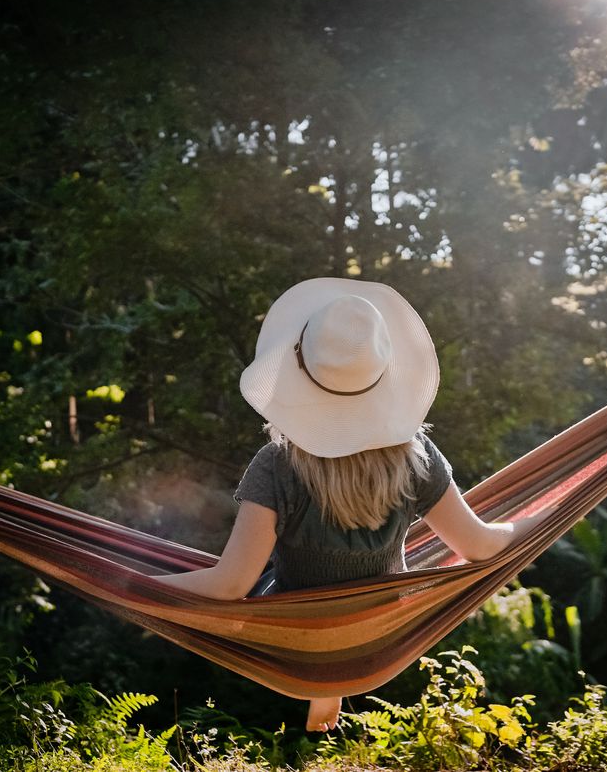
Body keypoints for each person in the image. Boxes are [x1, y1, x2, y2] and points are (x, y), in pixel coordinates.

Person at [157, 278, 519, 731]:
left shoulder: (277, 466)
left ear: (297, 365)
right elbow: (481, 546)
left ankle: (323, 685)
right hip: (380, 631)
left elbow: (231, 584)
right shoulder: (416, 460)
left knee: (289, 586)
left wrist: (146, 588)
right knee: (345, 597)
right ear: (383, 373)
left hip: (296, 634)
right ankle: (327, 698)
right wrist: (531, 523)